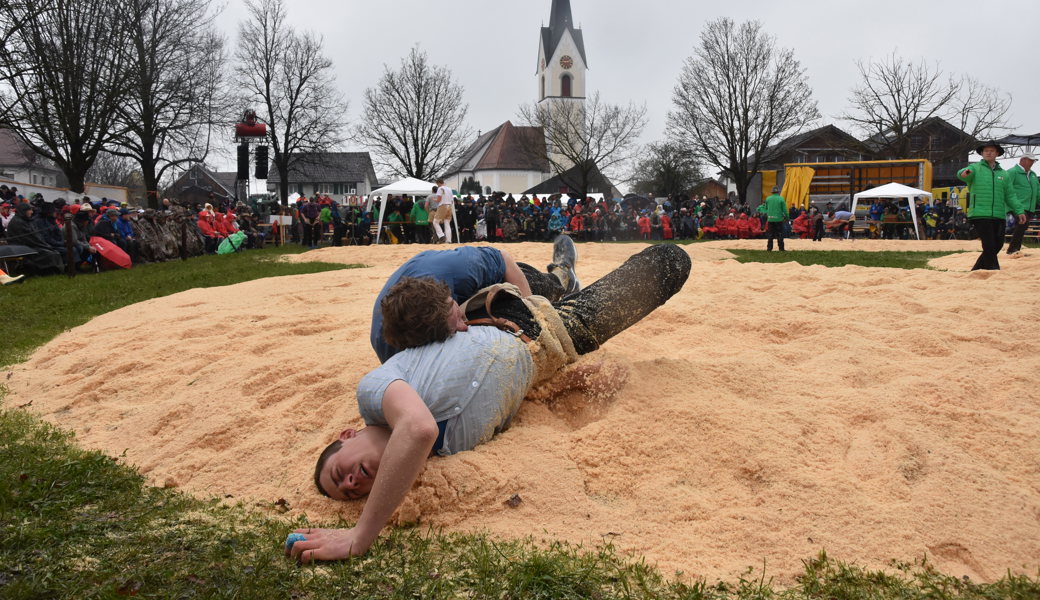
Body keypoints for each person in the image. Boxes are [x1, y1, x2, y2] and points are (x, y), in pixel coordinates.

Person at [288, 244, 692, 563]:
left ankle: (559, 274)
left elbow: (417, 428)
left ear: (346, 435)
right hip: (559, 342)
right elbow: (511, 401)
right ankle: (561, 280)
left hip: (495, 308)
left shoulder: (375, 389)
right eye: (350, 494)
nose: (352, 483)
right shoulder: (448, 454)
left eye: (340, 473)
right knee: (671, 262)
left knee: (539, 286)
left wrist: (361, 535)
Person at [370, 237, 579, 364]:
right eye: (453, 326)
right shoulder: (389, 349)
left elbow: (503, 258)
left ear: (450, 296)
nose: (463, 327)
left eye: (456, 314)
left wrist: (533, 311)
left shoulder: (461, 269)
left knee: (537, 287)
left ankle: (563, 275)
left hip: (496, 272)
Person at [958, 142, 1025, 270]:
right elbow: (963, 174)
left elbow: (1010, 195)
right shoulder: (975, 168)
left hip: (999, 214)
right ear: (982, 154)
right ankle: (994, 270)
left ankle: (977, 270)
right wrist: (964, 172)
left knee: (998, 245)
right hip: (980, 213)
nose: (989, 152)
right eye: (986, 150)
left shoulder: (1004, 174)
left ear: (997, 154)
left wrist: (1019, 211)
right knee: (989, 245)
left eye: (992, 151)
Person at [1005, 153, 1038, 255]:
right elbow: (1005, 188)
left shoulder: (1033, 174)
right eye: (1030, 160)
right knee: (1022, 224)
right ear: (1022, 160)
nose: (1032, 163)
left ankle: (1015, 249)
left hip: (1030, 206)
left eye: (1033, 161)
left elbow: (1038, 190)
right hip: (1016, 205)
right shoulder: (1012, 172)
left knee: (1023, 226)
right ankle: (1012, 249)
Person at [431, 179, 454, 243]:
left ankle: (441, 236)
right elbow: (452, 200)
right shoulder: (449, 189)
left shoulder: (440, 188)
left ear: (438, 183)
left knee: (435, 222)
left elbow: (439, 199)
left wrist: (434, 199)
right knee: (447, 224)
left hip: (443, 206)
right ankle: (449, 240)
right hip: (449, 206)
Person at [764, 187, 787, 251]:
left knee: (770, 234)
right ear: (778, 192)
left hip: (770, 219)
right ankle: (781, 248)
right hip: (779, 219)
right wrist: (787, 217)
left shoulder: (768, 198)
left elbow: (766, 208)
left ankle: (769, 248)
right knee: (779, 233)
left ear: (772, 192)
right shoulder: (781, 199)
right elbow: (784, 210)